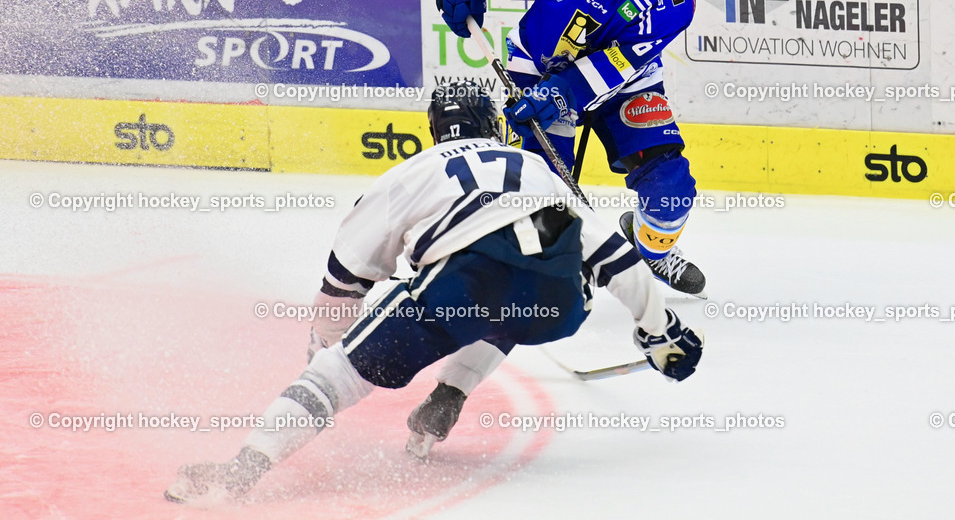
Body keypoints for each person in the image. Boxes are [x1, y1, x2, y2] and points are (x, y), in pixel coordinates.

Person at [164, 82, 702, 504]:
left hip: (464, 285)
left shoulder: (414, 170)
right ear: (494, 127)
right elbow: (612, 254)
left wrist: (327, 355)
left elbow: (345, 279)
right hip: (558, 306)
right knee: (524, 291)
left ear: (435, 132)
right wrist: (658, 333)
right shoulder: (537, 166)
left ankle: (242, 470)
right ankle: (450, 393)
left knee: (341, 372)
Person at [435, 0, 705, 300]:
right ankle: (536, 261)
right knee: (539, 190)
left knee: (671, 191)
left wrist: (564, 93)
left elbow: (619, 62)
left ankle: (650, 248)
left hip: (627, 85)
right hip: (537, 68)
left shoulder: (673, 0)